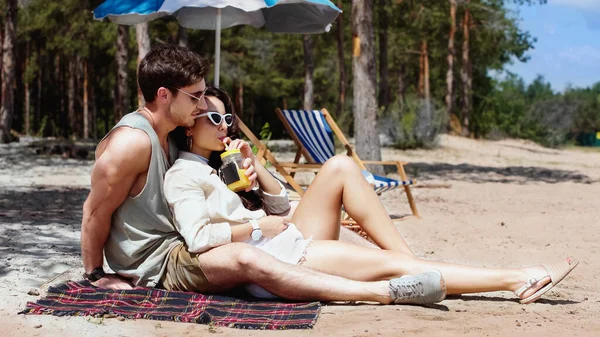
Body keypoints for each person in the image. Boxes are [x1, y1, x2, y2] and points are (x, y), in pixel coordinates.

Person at [80, 44, 445, 305]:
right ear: (163, 95)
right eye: (195, 96)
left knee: (321, 226)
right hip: (157, 262)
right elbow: (94, 212)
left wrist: (248, 167)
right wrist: (96, 275)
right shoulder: (131, 143)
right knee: (252, 258)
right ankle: (387, 290)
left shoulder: (174, 135)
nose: (202, 104)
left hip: (183, 246)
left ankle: (415, 270)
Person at [162, 84, 578, 305]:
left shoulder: (224, 165)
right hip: (284, 257)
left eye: (228, 117)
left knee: (340, 166)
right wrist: (256, 223)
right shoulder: (184, 174)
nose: (225, 126)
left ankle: (416, 266)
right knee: (391, 267)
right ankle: (518, 279)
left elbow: (285, 207)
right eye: (213, 117)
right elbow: (199, 238)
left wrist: (260, 172)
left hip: (285, 236)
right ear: (187, 126)